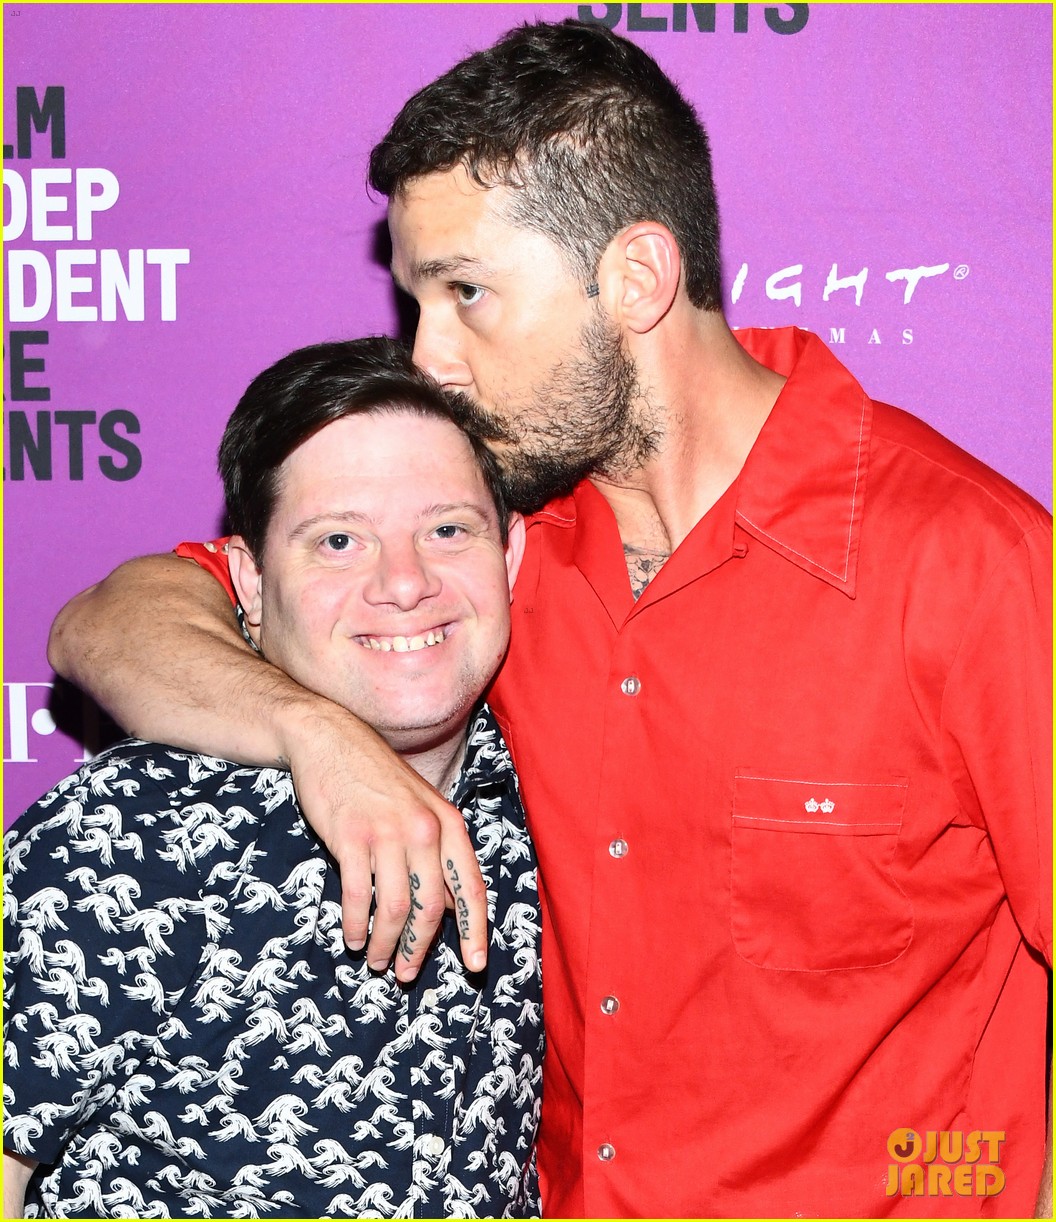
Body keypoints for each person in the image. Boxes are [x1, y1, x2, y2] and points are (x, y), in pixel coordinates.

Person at [48, 19, 1051, 1219]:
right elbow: (108, 625)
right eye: (417, 300)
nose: (431, 358)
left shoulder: (968, 560)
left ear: (635, 277)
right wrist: (317, 737)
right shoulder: (485, 549)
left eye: (466, 295)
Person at [4, 338, 542, 1219]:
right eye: (338, 541)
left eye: (448, 530)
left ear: (512, 557)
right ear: (246, 582)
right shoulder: (126, 831)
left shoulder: (556, 803)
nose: (404, 583)